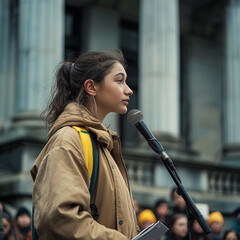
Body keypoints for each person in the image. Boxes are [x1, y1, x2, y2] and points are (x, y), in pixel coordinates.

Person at [30, 50, 139, 239]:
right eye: (119, 80)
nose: (128, 90)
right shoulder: (67, 140)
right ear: (91, 87)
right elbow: (61, 219)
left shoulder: (100, 143)